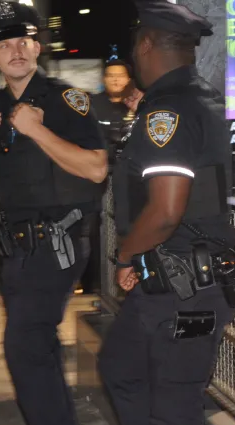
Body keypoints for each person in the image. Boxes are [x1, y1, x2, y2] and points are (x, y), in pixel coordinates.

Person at [96, 0, 235, 425]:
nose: (133, 54)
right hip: (170, 283)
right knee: (121, 370)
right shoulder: (184, 102)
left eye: (136, 45)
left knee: (172, 409)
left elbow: (167, 208)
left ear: (149, 46)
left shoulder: (171, 111)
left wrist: (124, 252)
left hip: (184, 291)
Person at [0, 1, 108, 425]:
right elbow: (19, 182)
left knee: (25, 346)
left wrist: (36, 129)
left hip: (56, 243)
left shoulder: (66, 100)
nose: (16, 50)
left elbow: (94, 168)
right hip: (20, 248)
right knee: (38, 348)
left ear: (38, 46)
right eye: (3, 44)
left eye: (23, 40)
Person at [83, 57, 142, 294]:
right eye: (110, 75)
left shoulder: (138, 106)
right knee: (93, 231)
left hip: (129, 180)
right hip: (95, 179)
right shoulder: (91, 105)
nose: (116, 79)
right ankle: (92, 283)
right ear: (103, 79)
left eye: (121, 75)